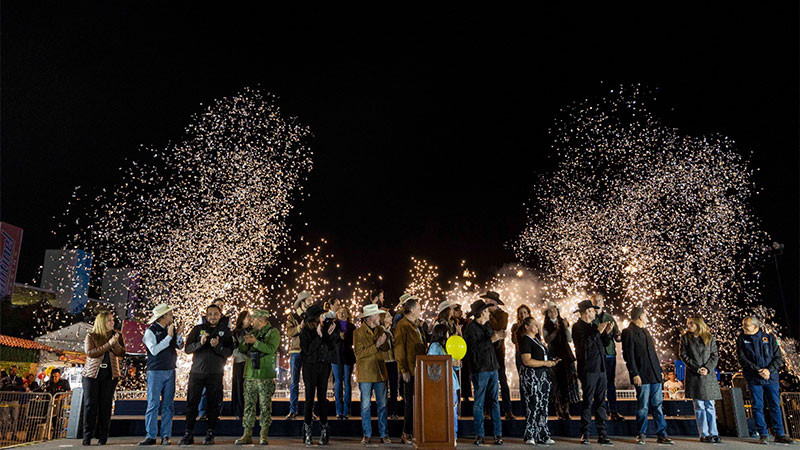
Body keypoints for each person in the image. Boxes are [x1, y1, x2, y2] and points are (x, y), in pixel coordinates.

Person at [179, 303, 234, 446]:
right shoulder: (198, 329)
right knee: (192, 404)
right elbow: (188, 349)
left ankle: (210, 433)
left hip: (215, 374)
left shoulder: (225, 331)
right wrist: (200, 343)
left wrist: (218, 346)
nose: (212, 317)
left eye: (215, 314)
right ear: (206, 315)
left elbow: (229, 352)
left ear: (220, 315)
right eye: (210, 314)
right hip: (197, 373)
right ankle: (188, 433)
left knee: (213, 405)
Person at [736, 316, 794, 444]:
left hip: (771, 378)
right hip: (753, 378)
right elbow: (742, 359)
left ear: (756, 327)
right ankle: (763, 434)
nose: (744, 328)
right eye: (743, 325)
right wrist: (758, 370)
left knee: (775, 405)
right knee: (757, 406)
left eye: (747, 326)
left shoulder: (769, 338)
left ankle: (780, 434)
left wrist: (769, 370)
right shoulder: (741, 340)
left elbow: (778, 358)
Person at [622, 306, 673, 445]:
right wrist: (635, 374)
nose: (647, 317)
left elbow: (653, 354)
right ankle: (641, 433)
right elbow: (628, 355)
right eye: (645, 315)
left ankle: (662, 434)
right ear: (640, 317)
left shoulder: (646, 331)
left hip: (654, 374)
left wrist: (659, 371)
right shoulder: (628, 332)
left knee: (657, 405)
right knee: (643, 406)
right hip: (642, 375)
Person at [139, 303, 184, 446]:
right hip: (155, 371)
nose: (172, 315)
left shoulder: (171, 329)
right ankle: (151, 435)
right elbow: (154, 350)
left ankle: (166, 435)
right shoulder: (150, 331)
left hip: (170, 370)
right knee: (153, 404)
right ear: (163, 316)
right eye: (169, 314)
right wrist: (169, 337)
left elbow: (179, 346)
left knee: (168, 405)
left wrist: (179, 334)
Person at [235, 309, 279, 445]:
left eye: (254, 319)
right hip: (250, 374)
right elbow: (242, 350)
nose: (252, 322)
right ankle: (246, 434)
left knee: (265, 405)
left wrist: (256, 343)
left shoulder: (273, 332)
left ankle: (263, 435)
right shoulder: (252, 332)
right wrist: (245, 342)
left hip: (265, 374)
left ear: (261, 320)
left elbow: (271, 349)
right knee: (248, 404)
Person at [571, 300, 613, 445]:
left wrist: (606, 334)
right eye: (593, 310)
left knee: (601, 402)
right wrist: (598, 331)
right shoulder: (577, 327)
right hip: (588, 370)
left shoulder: (594, 326)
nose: (595, 312)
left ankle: (603, 434)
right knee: (588, 402)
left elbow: (604, 344)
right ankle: (585, 434)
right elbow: (584, 345)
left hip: (600, 369)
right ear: (587, 312)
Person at [81, 310, 126, 446]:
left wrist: (115, 343)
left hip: (110, 375)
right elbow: (91, 353)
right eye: (110, 320)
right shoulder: (92, 335)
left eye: (113, 320)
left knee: (105, 406)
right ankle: (87, 436)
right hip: (92, 375)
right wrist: (109, 344)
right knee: (90, 405)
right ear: (102, 322)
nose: (113, 322)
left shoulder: (117, 335)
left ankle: (103, 436)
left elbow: (121, 353)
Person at [463, 299, 504, 446]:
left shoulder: (487, 325)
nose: (489, 313)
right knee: (479, 403)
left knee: (494, 402)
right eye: (486, 311)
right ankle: (479, 435)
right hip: (480, 370)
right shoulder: (470, 328)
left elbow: (494, 344)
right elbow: (473, 349)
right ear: (481, 313)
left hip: (493, 368)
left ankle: (497, 435)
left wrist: (497, 338)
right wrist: (492, 339)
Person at [300, 303, 339, 445]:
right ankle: (307, 430)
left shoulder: (326, 327)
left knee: (322, 398)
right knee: (309, 399)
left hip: (323, 366)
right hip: (310, 367)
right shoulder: (305, 331)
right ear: (314, 318)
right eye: (320, 315)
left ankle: (324, 429)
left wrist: (328, 336)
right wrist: (319, 336)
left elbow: (331, 347)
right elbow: (308, 350)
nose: (323, 317)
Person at [680, 315, 722, 443]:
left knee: (710, 406)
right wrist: (697, 368)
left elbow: (715, 355)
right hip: (694, 375)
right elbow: (683, 355)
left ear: (698, 324)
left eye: (691, 323)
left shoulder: (709, 337)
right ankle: (704, 434)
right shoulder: (685, 338)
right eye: (688, 323)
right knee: (699, 406)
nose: (689, 325)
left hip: (708, 377)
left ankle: (714, 433)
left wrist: (707, 368)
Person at [354, 304, 392, 444]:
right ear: (370, 317)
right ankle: (367, 434)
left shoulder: (381, 329)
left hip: (380, 373)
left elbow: (387, 347)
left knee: (382, 405)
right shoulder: (358, 333)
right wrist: (376, 345)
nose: (379, 317)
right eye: (377, 315)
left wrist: (384, 341)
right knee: (365, 406)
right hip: (365, 374)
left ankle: (383, 434)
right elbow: (359, 354)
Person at [393, 296, 427, 445]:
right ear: (412, 310)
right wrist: (403, 369)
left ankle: (415, 430)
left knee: (417, 401)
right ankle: (406, 432)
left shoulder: (416, 324)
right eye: (418, 308)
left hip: (420, 367)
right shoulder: (402, 325)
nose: (420, 311)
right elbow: (399, 349)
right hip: (410, 370)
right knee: (409, 402)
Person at [518, 317, 557, 446]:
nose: (536, 327)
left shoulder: (537, 340)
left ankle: (543, 433)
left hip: (542, 376)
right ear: (527, 326)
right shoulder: (526, 340)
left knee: (543, 404)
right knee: (533, 403)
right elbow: (527, 360)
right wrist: (545, 363)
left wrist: (550, 362)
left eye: (537, 325)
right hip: (532, 376)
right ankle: (530, 433)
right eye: (533, 325)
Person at [481, 291, 515, 420]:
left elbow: (499, 327)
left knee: (502, 380)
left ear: (494, 303)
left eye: (488, 302)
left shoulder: (503, 315)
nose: (486, 304)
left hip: (498, 352)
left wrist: (489, 315)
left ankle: (508, 410)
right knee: (487, 381)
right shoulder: (483, 314)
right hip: (486, 351)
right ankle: (488, 411)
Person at [542, 302, 578, 420]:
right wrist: (556, 330)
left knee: (567, 382)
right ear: (547, 314)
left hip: (565, 354)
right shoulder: (546, 325)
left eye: (555, 310)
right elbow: (547, 340)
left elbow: (569, 339)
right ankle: (559, 410)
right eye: (550, 311)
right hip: (553, 354)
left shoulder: (563, 322)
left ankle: (567, 409)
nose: (553, 313)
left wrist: (566, 327)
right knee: (555, 383)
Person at [591, 295, 624, 422]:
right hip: (597, 355)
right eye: (595, 301)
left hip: (609, 354)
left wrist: (619, 336)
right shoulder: (590, 318)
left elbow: (617, 336)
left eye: (599, 300)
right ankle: (600, 411)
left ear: (603, 302)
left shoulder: (609, 318)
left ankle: (613, 411)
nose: (597, 302)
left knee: (610, 383)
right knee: (599, 384)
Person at [427, 323, 460, 440]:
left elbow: (454, 364)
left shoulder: (446, 346)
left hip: (452, 383)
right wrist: (451, 362)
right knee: (446, 410)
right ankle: (445, 434)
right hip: (442, 384)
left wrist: (457, 363)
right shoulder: (435, 346)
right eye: (447, 332)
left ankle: (453, 435)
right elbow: (434, 363)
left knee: (453, 410)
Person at [285, 291, 309, 420]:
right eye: (308, 300)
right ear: (302, 302)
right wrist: (299, 328)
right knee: (294, 382)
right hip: (295, 351)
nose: (310, 302)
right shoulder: (292, 317)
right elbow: (289, 332)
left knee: (309, 383)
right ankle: (293, 410)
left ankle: (309, 410)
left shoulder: (311, 315)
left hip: (308, 352)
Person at [331, 307, 356, 420]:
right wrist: (338, 336)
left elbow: (354, 340)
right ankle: (338, 410)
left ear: (347, 314)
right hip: (336, 358)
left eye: (343, 312)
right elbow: (329, 339)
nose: (341, 314)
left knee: (347, 382)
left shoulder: (352, 327)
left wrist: (344, 337)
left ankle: (347, 410)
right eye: (339, 312)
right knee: (338, 383)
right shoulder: (333, 325)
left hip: (348, 357)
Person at [231, 310, 252, 420]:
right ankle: (239, 411)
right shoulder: (236, 332)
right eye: (247, 316)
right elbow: (233, 349)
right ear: (242, 319)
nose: (250, 318)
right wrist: (245, 353)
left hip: (251, 364)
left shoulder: (253, 331)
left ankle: (250, 411)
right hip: (239, 362)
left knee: (250, 388)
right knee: (239, 387)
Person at [381, 311, 400, 420]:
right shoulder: (380, 331)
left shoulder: (393, 330)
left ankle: (394, 411)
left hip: (393, 361)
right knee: (383, 388)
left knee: (394, 387)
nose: (391, 317)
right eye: (388, 316)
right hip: (383, 361)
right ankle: (384, 411)